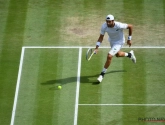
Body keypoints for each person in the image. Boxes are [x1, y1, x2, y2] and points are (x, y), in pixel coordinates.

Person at [95, 14, 136, 83]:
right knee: (118, 54)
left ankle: (102, 74)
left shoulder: (119, 25)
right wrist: (96, 47)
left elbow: (130, 26)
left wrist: (129, 39)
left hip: (119, 42)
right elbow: (101, 37)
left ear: (113, 21)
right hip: (112, 41)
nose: (108, 23)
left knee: (109, 55)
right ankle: (130, 55)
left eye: (109, 21)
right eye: (107, 21)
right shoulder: (104, 26)